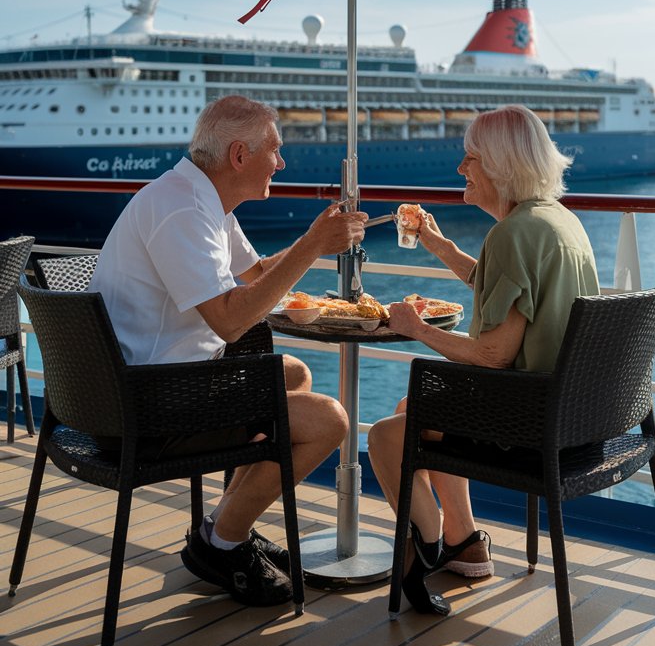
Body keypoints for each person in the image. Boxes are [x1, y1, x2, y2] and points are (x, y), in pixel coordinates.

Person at [90, 95, 368, 608]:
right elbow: (232, 321)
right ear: (239, 155)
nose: (281, 163)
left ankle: (225, 526)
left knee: (293, 372)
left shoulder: (201, 198)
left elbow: (256, 275)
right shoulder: (181, 210)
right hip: (147, 408)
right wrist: (311, 244)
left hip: (155, 383)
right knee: (330, 420)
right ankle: (221, 545)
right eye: (275, 150)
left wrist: (317, 240)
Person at [367, 104, 599, 615]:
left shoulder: (512, 234)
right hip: (579, 416)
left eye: (469, 157)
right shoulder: (557, 221)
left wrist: (415, 328)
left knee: (386, 434)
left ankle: (423, 545)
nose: (460, 169)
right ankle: (465, 542)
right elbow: (511, 293)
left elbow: (493, 355)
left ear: (498, 164)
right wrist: (442, 247)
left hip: (528, 427)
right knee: (416, 408)